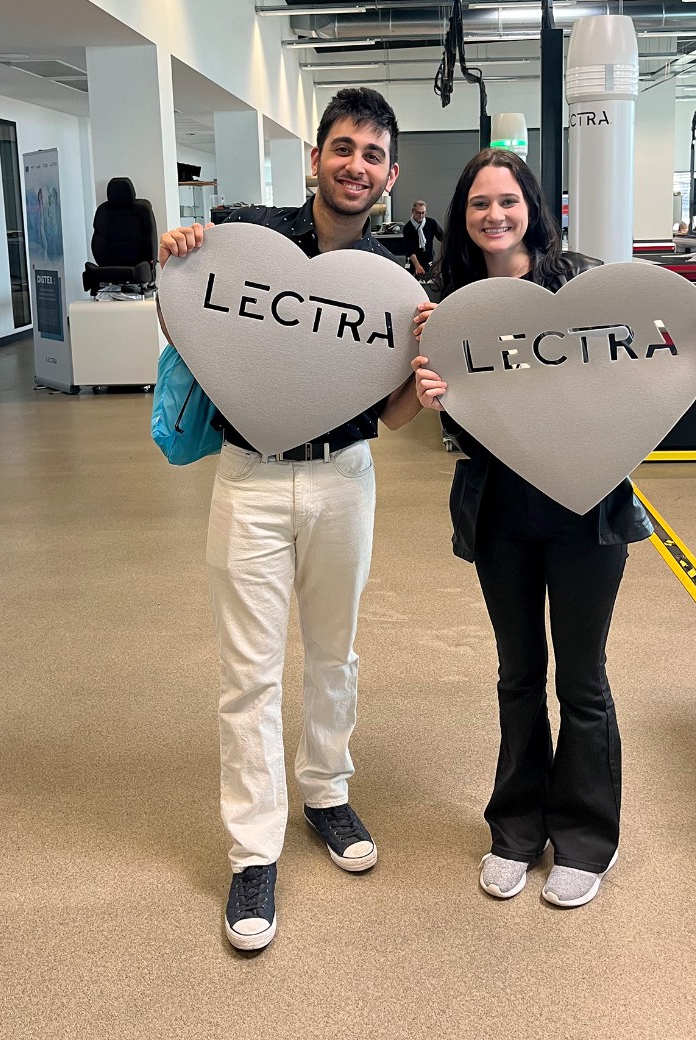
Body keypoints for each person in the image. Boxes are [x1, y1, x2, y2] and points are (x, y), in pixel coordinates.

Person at [411, 148, 696, 909]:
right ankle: (516, 830)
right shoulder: (446, 302)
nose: (495, 215)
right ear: (463, 215)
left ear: (531, 206)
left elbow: (647, 361)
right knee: (517, 675)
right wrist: (431, 397)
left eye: (508, 200)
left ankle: (588, 840)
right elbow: (437, 415)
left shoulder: (583, 281)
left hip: (587, 507)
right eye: (479, 203)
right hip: (498, 510)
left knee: (582, 679)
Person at [158, 89, 423, 951]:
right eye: (343, 147)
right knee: (248, 673)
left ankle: (325, 793)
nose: (357, 165)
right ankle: (252, 850)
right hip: (250, 479)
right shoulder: (243, 232)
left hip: (346, 477)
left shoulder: (393, 282)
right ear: (316, 157)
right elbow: (192, 311)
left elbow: (389, 414)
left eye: (374, 154)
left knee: (333, 653)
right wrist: (181, 251)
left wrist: (424, 383)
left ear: (390, 173)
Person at [402, 199, 444, 278]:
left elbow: (443, 237)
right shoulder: (408, 228)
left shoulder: (431, 223)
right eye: (418, 213)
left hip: (429, 260)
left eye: (423, 213)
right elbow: (410, 250)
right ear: (413, 211)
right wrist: (417, 266)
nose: (421, 215)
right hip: (414, 262)